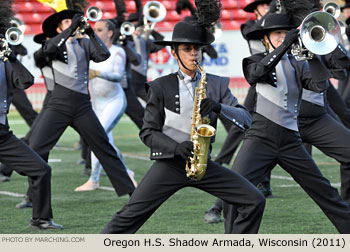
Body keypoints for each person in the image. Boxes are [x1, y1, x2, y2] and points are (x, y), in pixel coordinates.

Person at [100, 18, 265, 234]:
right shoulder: (160, 86)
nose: (194, 54)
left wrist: (218, 107)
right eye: (187, 49)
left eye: (197, 48)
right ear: (175, 53)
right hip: (170, 163)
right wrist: (175, 148)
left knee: (254, 199)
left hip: (203, 163)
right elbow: (148, 132)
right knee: (129, 216)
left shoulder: (216, 84)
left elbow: (245, 118)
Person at [224, 12, 350, 234]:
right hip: (260, 140)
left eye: (285, 33)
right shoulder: (254, 60)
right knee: (234, 192)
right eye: (277, 33)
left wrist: (312, 55)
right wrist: (285, 46)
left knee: (325, 193)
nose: (283, 36)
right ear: (266, 39)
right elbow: (257, 74)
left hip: (291, 142)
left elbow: (320, 85)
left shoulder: (297, 64)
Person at [15, 8, 136, 209]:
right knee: (37, 149)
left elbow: (103, 55)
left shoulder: (85, 43)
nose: (73, 25)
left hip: (82, 106)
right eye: (66, 23)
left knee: (103, 146)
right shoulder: (49, 45)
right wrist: (71, 28)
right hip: (57, 105)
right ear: (59, 28)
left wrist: (89, 32)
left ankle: (133, 193)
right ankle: (32, 196)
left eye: (73, 22)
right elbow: (47, 52)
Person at [204, 0, 272, 224]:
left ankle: (265, 182)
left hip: (284, 92)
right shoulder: (251, 27)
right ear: (256, 10)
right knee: (239, 132)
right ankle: (219, 193)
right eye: (264, 6)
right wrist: (270, 19)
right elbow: (252, 33)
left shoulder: (284, 27)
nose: (269, 8)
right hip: (260, 87)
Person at [0, 0, 62, 229]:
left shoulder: (4, 60)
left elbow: (26, 81)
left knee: (41, 169)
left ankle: (41, 219)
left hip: (2, 135)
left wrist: (11, 56)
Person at [74, 19, 137, 191]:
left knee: (98, 136)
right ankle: (125, 172)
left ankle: (94, 179)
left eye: (100, 30)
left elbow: (118, 76)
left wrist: (97, 72)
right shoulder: (91, 51)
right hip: (97, 103)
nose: (95, 32)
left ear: (110, 33)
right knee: (103, 141)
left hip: (114, 101)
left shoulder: (117, 51)